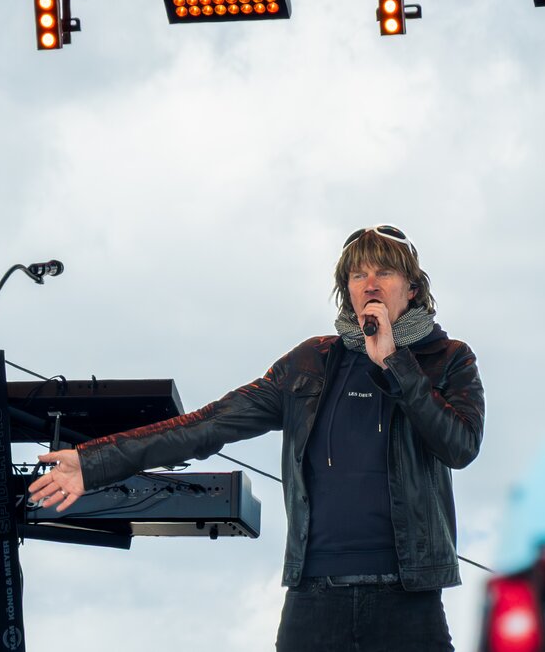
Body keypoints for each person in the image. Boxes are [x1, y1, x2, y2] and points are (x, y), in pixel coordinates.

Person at [29, 225, 484, 651]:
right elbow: (210, 423)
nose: (370, 282)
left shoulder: (447, 359)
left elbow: (459, 445)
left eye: (384, 270)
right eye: (358, 273)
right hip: (314, 600)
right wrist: (96, 461)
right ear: (346, 289)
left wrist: (394, 363)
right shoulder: (309, 363)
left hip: (408, 600)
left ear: (412, 288)